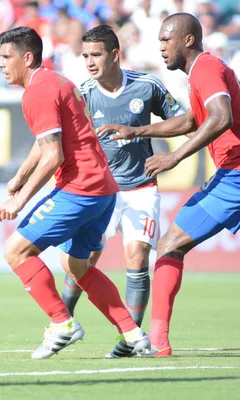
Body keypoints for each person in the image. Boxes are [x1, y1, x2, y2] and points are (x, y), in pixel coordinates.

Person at [107, 13, 240, 357]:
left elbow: (221, 117)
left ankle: (156, 343)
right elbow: (192, 120)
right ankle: (156, 342)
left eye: (165, 40)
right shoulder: (205, 71)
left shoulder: (205, 68)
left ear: (188, 40)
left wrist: (175, 158)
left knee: (170, 245)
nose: (160, 47)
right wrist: (137, 131)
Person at [0, 26, 150, 360]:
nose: (1, 64)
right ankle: (132, 332)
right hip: (104, 189)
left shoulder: (37, 92)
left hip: (81, 188)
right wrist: (20, 176)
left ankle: (62, 323)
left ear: (27, 57)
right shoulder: (57, 81)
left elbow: (54, 156)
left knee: (15, 251)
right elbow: (49, 142)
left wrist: (19, 202)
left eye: (6, 57)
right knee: (76, 265)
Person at [60, 24, 185, 359]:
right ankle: (63, 324)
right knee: (80, 262)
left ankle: (131, 338)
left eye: (96, 54)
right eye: (85, 55)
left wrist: (143, 132)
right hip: (98, 192)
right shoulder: (83, 94)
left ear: (115, 55)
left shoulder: (146, 87)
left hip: (141, 187)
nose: (89, 61)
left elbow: (184, 120)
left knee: (138, 257)